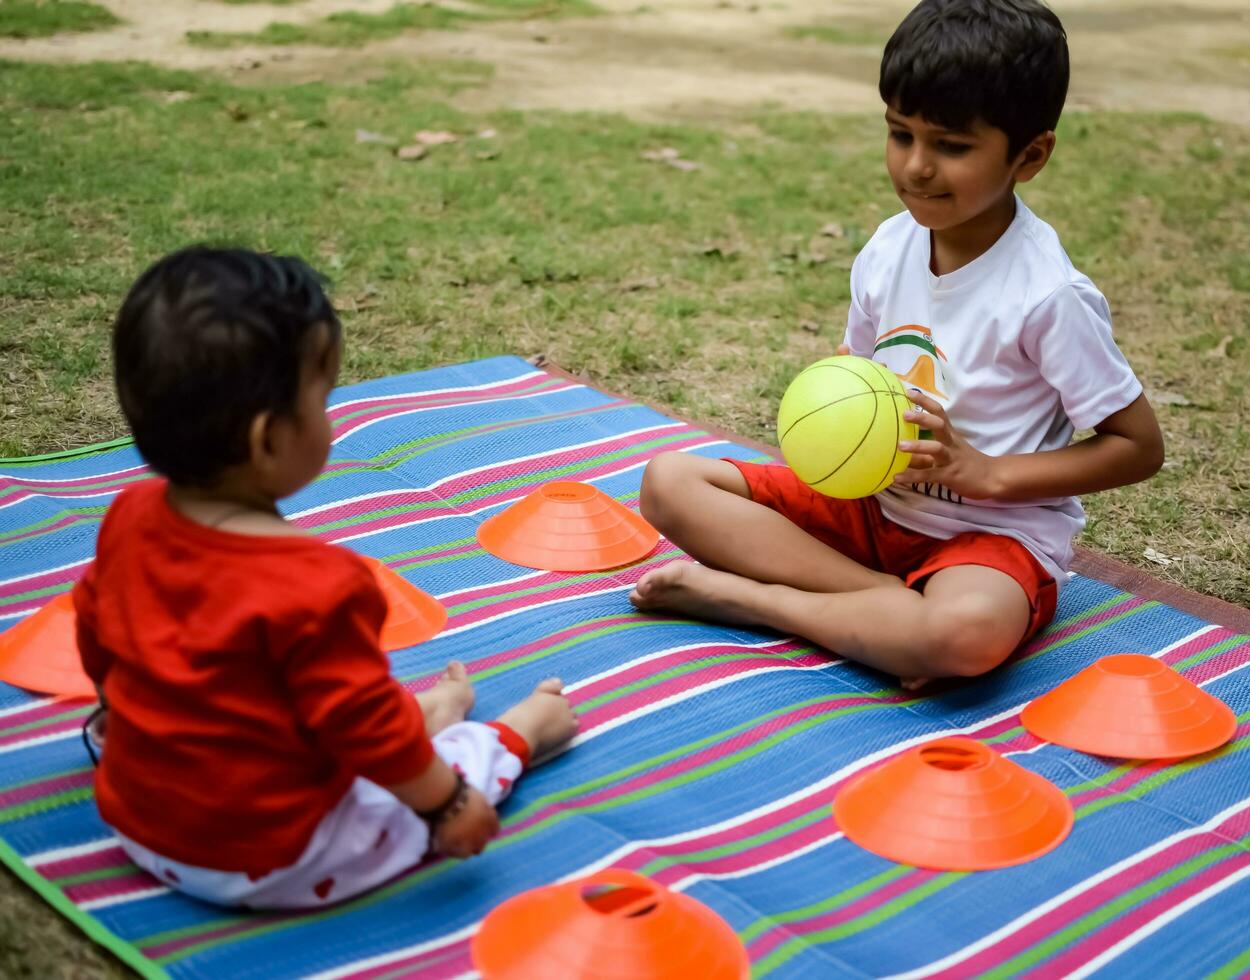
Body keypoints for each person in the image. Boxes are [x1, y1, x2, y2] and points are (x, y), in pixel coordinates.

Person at [631, 0, 1164, 686]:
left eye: (952, 145)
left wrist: (988, 474)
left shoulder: (1047, 295)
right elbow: (859, 369)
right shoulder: (890, 247)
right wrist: (833, 414)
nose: (915, 167)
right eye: (900, 134)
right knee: (669, 482)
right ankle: (874, 602)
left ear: (1029, 155)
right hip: (870, 506)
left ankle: (759, 601)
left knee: (961, 637)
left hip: (987, 540)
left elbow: (1137, 447)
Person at [75, 247, 578, 908]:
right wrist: (449, 804)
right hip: (273, 856)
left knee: (330, 701)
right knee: (424, 763)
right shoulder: (316, 583)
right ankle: (521, 729)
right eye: (326, 395)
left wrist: (132, 715)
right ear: (267, 440)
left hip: (137, 821)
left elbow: (98, 635)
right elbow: (362, 729)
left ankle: (429, 711)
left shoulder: (129, 516)